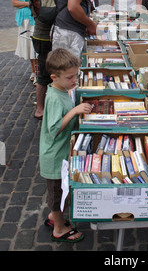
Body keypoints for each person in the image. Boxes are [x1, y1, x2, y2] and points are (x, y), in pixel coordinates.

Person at [40, 48, 92, 243]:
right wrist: (74, 111)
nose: (74, 80)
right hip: (54, 157)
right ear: (54, 77)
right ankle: (59, 229)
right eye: (70, 77)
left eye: (76, 75)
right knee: (57, 194)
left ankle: (55, 218)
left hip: (60, 153)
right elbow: (54, 129)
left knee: (61, 190)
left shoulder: (61, 90)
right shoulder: (53, 97)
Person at [30, 0, 64, 120]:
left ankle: (41, 107)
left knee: (42, 72)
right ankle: (41, 108)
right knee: (49, 73)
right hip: (48, 35)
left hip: (38, 33)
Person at [12, 0, 39, 82]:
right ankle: (34, 71)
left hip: (35, 18)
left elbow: (40, 1)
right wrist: (28, 3)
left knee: (36, 48)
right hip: (23, 19)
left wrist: (22, 3)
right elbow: (14, 2)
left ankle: (38, 73)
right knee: (28, 47)